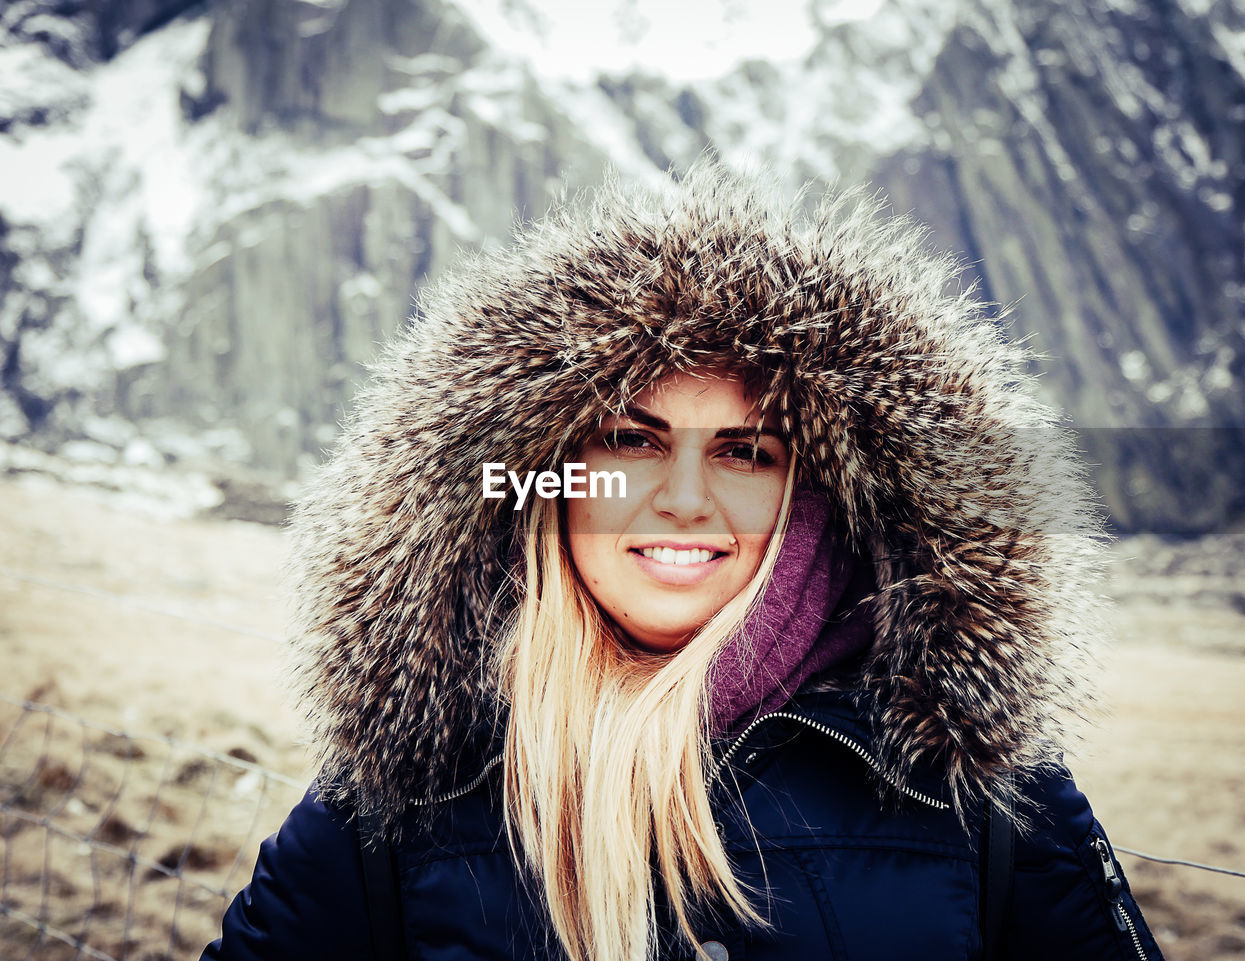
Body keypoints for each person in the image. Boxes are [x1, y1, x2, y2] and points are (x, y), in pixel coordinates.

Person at [201, 164, 1164, 961]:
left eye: (748, 452)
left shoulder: (973, 778)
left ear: (814, 499)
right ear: (548, 479)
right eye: (631, 439)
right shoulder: (406, 783)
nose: (685, 498)